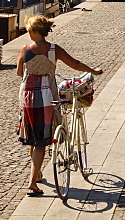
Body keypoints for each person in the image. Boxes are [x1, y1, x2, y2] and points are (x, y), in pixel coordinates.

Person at [17, 15, 102, 196]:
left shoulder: (25, 50)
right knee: (41, 142)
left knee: (33, 136)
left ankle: (37, 174)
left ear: (33, 32)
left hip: (28, 97)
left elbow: (19, 72)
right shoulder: (54, 49)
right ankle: (33, 182)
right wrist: (93, 71)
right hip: (48, 96)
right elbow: (76, 64)